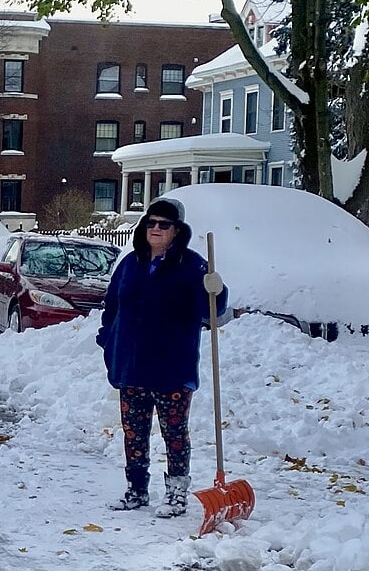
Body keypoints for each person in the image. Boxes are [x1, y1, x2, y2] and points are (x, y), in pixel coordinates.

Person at [97, 197, 227, 518]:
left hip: (172, 367)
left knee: (174, 433)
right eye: (151, 223)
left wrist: (217, 289)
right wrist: (108, 341)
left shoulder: (193, 266)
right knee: (134, 433)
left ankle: (176, 495)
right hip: (132, 367)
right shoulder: (130, 265)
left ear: (177, 231)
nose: (155, 229)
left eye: (164, 224)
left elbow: (213, 312)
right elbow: (111, 307)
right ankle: (137, 490)